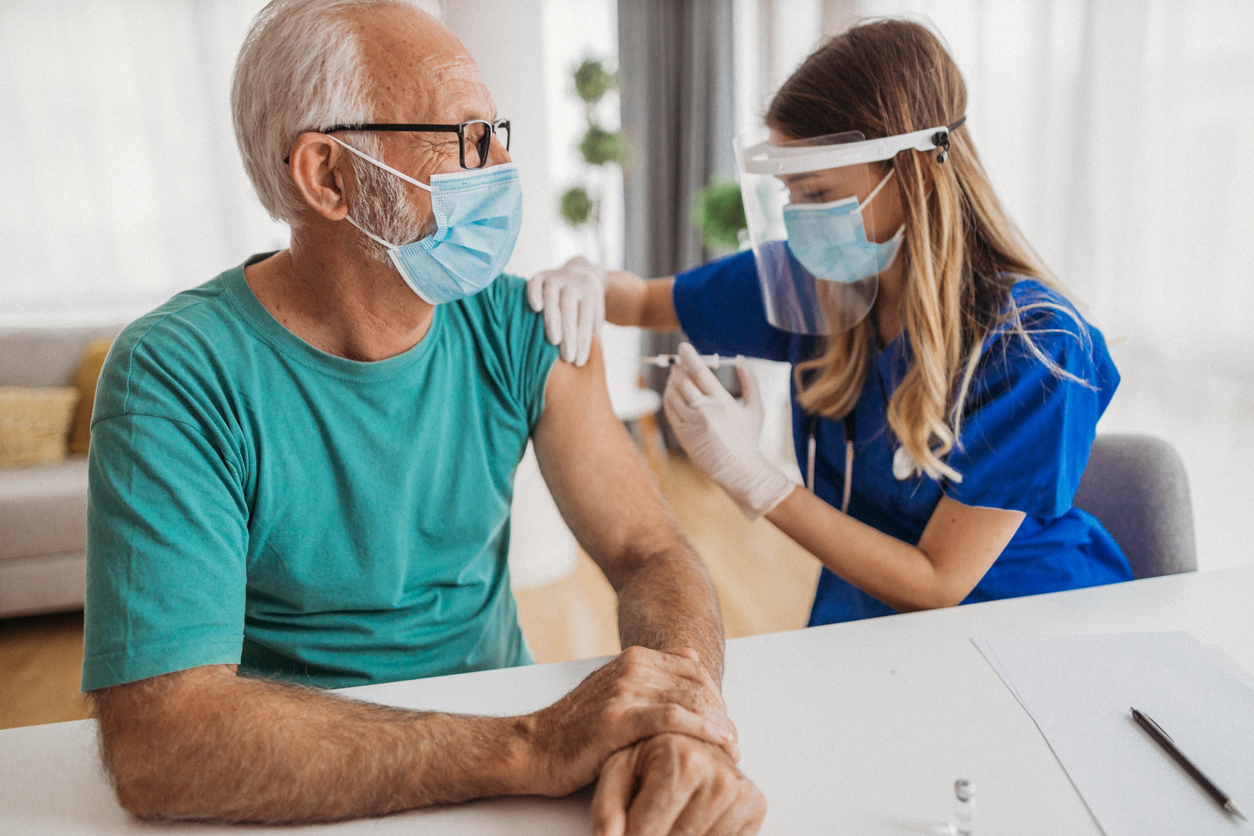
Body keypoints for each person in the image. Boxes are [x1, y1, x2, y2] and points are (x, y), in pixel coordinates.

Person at [82, 1, 766, 833]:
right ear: (328, 176)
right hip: (296, 782)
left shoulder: (530, 326)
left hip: (511, 775)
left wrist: (677, 716)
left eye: (498, 131)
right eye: (470, 139)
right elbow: (163, 744)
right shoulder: (175, 373)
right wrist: (533, 744)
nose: (506, 163)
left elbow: (647, 551)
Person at [529, 19, 1132, 626]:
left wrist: (759, 481)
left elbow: (939, 583)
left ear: (916, 173)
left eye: (816, 195)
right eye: (789, 193)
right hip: (864, 620)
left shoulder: (1034, 347)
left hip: (1025, 627)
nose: (798, 221)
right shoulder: (811, 283)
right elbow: (638, 303)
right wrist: (579, 278)